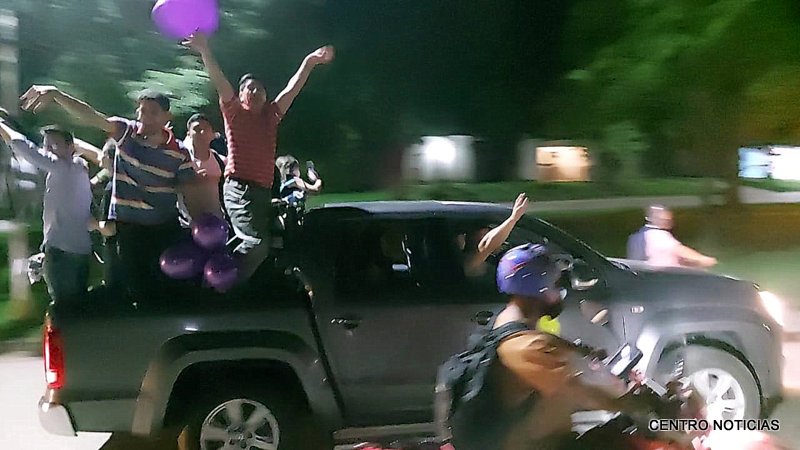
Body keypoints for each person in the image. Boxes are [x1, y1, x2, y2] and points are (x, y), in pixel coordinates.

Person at [455, 243, 657, 450]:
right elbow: (580, 392)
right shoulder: (524, 347)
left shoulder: (507, 324)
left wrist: (581, 352)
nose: (559, 292)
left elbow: (546, 345)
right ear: (538, 289)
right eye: (554, 284)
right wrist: (634, 404)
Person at [183, 31, 334, 282]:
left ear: (266, 96)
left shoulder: (271, 116)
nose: (254, 91)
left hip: (263, 192)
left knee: (271, 243)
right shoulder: (234, 112)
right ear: (240, 96)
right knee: (256, 244)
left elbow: (293, 88)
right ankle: (221, 284)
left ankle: (224, 276)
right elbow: (219, 79)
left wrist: (310, 62)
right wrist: (204, 50)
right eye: (248, 88)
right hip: (239, 189)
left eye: (259, 89)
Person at [20, 86, 197, 299]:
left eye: (153, 112)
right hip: (129, 229)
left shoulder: (180, 153)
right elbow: (93, 117)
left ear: (167, 117)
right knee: (131, 289)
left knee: (168, 288)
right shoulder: (127, 133)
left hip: (163, 227)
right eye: (142, 111)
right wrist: (57, 95)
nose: (146, 117)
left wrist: (196, 225)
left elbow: (189, 192)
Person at [0, 118, 112, 302]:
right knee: (78, 304)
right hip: (81, 251)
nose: (49, 151)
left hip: (61, 252)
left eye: (55, 145)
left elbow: (24, 147)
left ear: (70, 148)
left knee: (62, 306)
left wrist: (2, 126)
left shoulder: (62, 168)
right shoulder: (79, 168)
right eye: (46, 146)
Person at [457, 193, 530, 277]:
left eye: (489, 228)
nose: (489, 232)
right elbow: (486, 246)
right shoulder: (468, 263)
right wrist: (513, 218)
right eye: (483, 229)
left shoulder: (493, 258)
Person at [627, 204, 717, 268]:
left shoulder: (636, 236)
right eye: (666, 219)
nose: (669, 221)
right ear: (655, 218)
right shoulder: (658, 235)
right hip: (664, 278)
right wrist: (703, 259)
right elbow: (681, 251)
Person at [178, 113, 227, 227]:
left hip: (218, 224)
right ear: (189, 134)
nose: (202, 132)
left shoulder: (220, 161)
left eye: (206, 128)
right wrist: (190, 180)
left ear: (212, 134)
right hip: (189, 225)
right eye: (197, 129)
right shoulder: (182, 160)